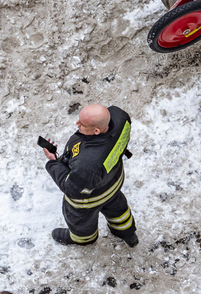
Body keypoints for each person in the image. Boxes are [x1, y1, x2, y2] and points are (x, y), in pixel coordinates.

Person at [41, 104, 138, 247]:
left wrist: (54, 163)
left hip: (91, 198)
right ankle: (127, 234)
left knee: (81, 221)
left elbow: (72, 188)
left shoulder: (88, 165)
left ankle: (82, 239)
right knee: (118, 209)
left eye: (82, 124)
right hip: (114, 182)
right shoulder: (120, 117)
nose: (77, 124)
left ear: (97, 130)